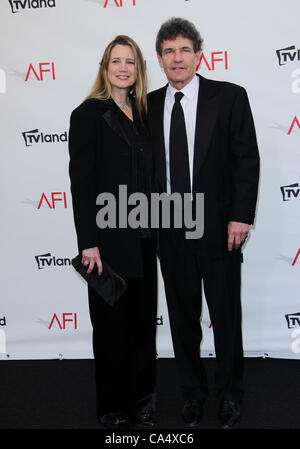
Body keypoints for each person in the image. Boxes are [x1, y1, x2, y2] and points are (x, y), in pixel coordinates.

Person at [147, 18, 260, 429]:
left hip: (218, 229)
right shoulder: (147, 104)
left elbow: (246, 160)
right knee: (181, 318)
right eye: (168, 51)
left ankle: (230, 395)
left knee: (226, 316)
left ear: (198, 54)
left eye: (184, 49)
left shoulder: (229, 97)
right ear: (159, 59)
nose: (177, 58)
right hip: (169, 228)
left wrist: (240, 217)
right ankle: (192, 394)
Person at [68, 35, 158, 430]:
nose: (123, 68)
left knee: (141, 327)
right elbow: (82, 183)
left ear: (139, 69)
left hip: (145, 238)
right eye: (116, 61)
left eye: (130, 62)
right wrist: (88, 242)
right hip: (106, 240)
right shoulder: (88, 114)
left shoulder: (144, 113)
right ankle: (113, 407)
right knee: (110, 330)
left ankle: (141, 401)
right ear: (105, 67)